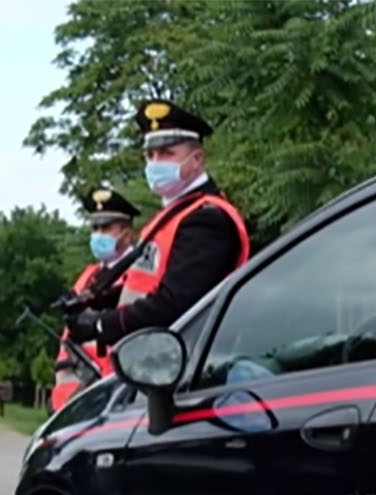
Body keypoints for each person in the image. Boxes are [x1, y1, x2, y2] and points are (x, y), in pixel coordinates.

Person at [68, 99, 250, 349]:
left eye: (167, 153)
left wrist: (102, 324)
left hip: (185, 362)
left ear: (197, 159)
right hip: (157, 359)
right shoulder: (173, 216)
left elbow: (175, 303)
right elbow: (144, 285)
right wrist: (96, 303)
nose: (155, 163)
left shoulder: (206, 219)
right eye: (150, 155)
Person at [49, 187, 141, 412]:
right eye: (95, 228)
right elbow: (68, 337)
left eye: (107, 228)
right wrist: (62, 394)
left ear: (127, 233)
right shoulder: (89, 275)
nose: (99, 234)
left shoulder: (140, 272)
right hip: (79, 391)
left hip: (120, 391)